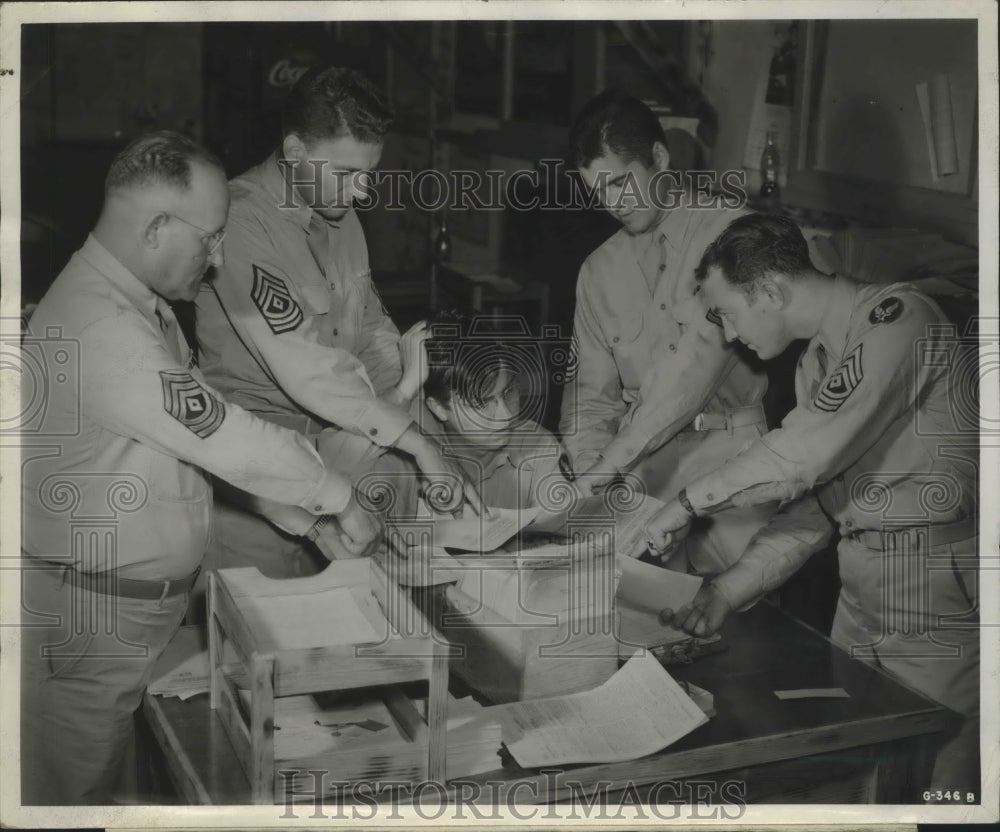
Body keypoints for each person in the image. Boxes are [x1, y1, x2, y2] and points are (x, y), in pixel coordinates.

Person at [19, 131, 382, 805]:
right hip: (86, 636)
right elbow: (225, 433)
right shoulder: (104, 328)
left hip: (126, 627)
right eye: (210, 239)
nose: (218, 261)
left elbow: (185, 447)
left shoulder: (140, 306)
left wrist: (294, 516)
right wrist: (336, 496)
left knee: (117, 795)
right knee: (70, 805)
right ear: (156, 227)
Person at [645, 213, 979, 796]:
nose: (727, 335)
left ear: (771, 292)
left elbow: (803, 455)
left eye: (727, 314)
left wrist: (687, 503)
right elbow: (818, 509)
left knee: (938, 791)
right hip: (860, 595)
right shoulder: (815, 364)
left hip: (936, 600)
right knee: (863, 781)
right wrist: (728, 588)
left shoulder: (899, 319)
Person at [194, 65, 479, 580]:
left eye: (368, 172)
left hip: (348, 461)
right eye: (347, 173)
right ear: (296, 152)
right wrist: (418, 443)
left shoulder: (341, 218)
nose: (363, 191)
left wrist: (432, 440)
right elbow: (309, 368)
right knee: (274, 641)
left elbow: (372, 333)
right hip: (263, 490)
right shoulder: (239, 223)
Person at [558, 89, 775, 576]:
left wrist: (608, 464)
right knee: (643, 623)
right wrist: (595, 478)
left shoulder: (733, 236)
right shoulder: (597, 271)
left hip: (731, 462)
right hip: (637, 477)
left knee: (740, 622)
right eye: (599, 194)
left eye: (620, 184)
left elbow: (691, 373)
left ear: (658, 157)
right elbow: (589, 396)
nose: (612, 205)